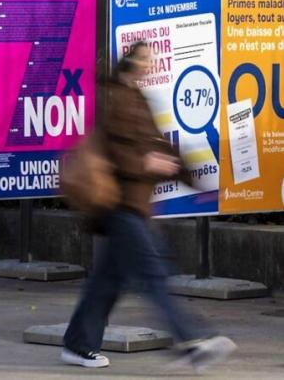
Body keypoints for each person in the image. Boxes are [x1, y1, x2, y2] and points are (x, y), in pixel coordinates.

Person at [61, 42, 236, 371]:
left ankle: (77, 344)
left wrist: (194, 179)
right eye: (144, 60)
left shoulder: (137, 97)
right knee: (154, 275)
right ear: (129, 62)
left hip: (133, 206)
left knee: (108, 281)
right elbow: (117, 153)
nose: (149, 65)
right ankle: (190, 342)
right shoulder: (113, 97)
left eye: (150, 60)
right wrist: (148, 164)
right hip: (119, 203)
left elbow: (159, 144)